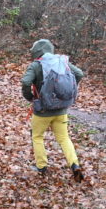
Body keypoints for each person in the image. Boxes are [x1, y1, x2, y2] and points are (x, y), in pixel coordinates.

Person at [20, 39, 85, 182]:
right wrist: (65, 92)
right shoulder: (62, 62)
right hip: (61, 110)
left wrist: (30, 97)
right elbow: (79, 74)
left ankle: (41, 166)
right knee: (64, 138)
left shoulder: (36, 65)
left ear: (37, 51)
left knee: (37, 136)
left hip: (42, 111)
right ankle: (75, 165)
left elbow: (25, 82)